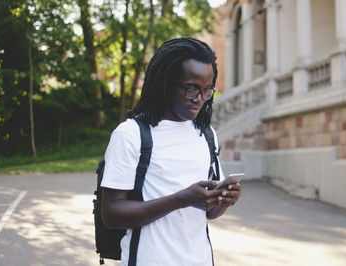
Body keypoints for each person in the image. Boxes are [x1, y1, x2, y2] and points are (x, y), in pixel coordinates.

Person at [101, 37, 241, 266]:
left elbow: (209, 212)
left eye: (207, 91)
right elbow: (112, 214)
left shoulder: (206, 135)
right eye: (191, 89)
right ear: (165, 83)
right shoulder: (131, 134)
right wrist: (182, 198)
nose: (200, 100)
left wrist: (224, 199)